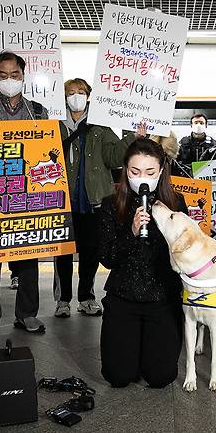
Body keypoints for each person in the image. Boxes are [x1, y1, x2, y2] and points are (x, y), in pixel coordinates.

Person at [0, 52, 49, 338]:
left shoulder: (38, 112)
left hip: (28, 194)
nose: (9, 80)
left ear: (23, 76)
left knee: (29, 255)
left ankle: (27, 314)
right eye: (3, 75)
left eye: (14, 75)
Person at [53, 78, 146, 318]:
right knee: (62, 251)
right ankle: (63, 299)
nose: (76, 96)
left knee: (91, 250)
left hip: (94, 200)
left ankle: (86, 297)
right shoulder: (53, 125)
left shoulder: (100, 125)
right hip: (61, 199)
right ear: (63, 96)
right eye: (71, 92)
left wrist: (131, 137)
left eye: (81, 92)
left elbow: (114, 158)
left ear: (89, 95)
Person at [99, 138, 187, 388]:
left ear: (161, 171)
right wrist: (132, 233)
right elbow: (107, 258)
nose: (143, 177)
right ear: (126, 171)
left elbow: (183, 249)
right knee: (118, 376)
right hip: (123, 298)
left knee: (161, 377)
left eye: (150, 171)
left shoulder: (176, 203)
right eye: (135, 171)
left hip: (162, 299)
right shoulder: (110, 204)